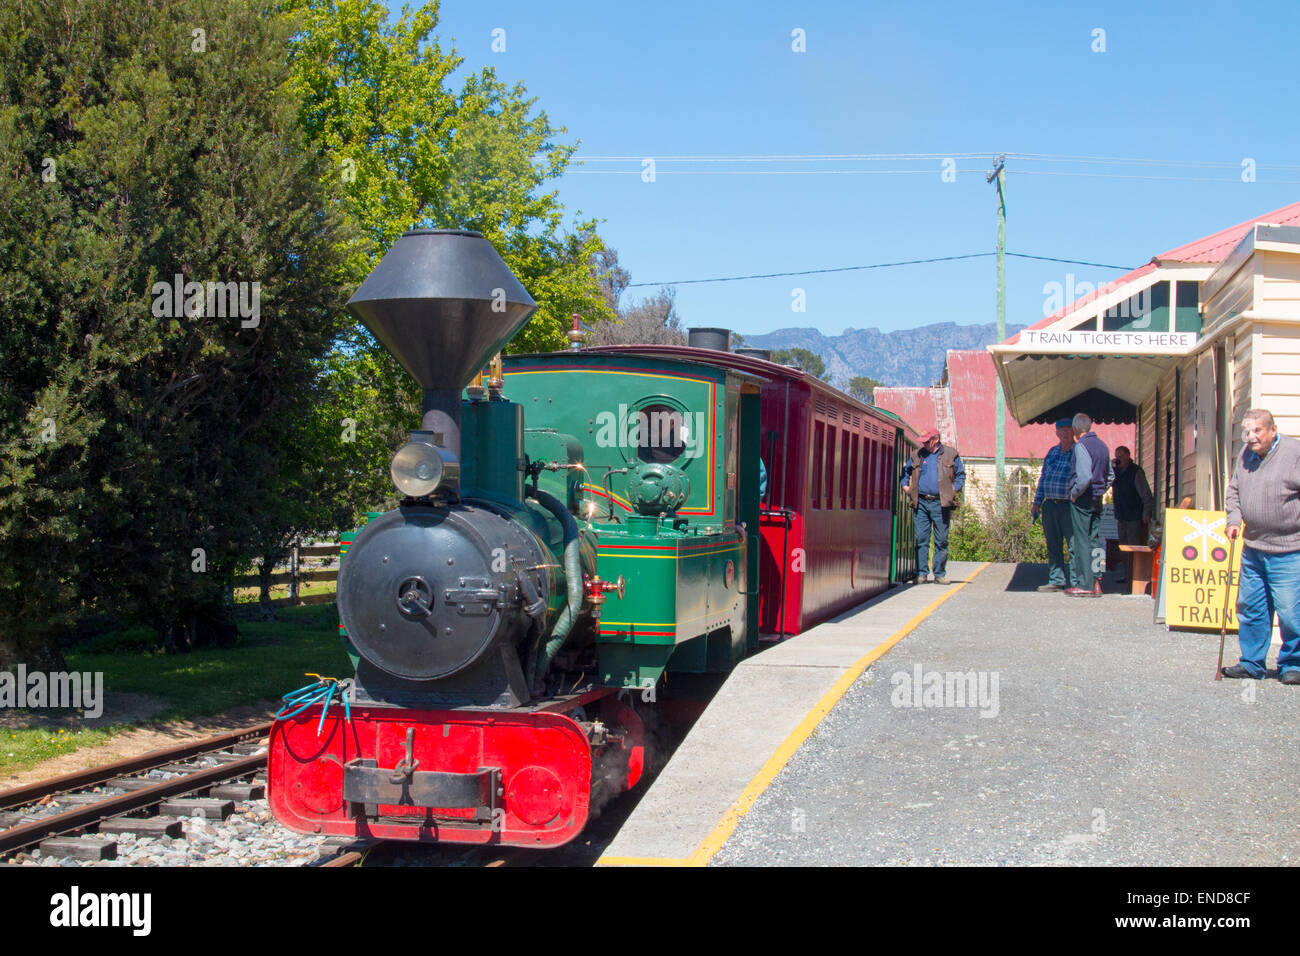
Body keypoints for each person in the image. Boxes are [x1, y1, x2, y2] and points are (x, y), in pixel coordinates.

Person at [1221, 409, 1300, 684]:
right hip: (1253, 547)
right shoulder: (1246, 455)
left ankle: (1293, 663)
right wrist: (1233, 519)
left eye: (1257, 431)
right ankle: (1252, 662)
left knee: (1290, 610)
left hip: (1289, 549)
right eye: (1247, 431)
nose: (1251, 437)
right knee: (1251, 607)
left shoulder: (1294, 453)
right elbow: (1234, 491)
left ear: (1273, 430)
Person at [1031, 418, 1090, 592]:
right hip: (1050, 504)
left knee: (1073, 544)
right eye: (1061, 431)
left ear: (1073, 432)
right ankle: (1056, 580)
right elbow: (1043, 477)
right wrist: (1037, 502)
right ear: (1056, 433)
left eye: (1067, 430)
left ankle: (1075, 582)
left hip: (1069, 505)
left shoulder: (1078, 451)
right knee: (1053, 543)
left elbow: (1084, 476)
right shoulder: (1052, 452)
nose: (1064, 434)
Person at [901, 427, 965, 584]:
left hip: (941, 503)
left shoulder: (951, 454)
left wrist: (953, 490)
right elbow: (906, 472)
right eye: (922, 441)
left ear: (936, 440)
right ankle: (922, 574)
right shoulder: (917, 455)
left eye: (926, 441)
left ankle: (939, 574)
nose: (924, 444)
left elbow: (961, 475)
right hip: (921, 502)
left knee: (941, 540)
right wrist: (905, 486)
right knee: (920, 538)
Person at [1066, 412, 1112, 598]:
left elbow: (1084, 477)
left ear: (1076, 428)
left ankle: (1084, 584)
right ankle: (1097, 581)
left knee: (1082, 540)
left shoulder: (1081, 446)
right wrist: (1101, 490)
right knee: (1095, 540)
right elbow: (1110, 476)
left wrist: (1075, 494)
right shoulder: (1103, 446)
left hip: (1083, 499)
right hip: (1097, 498)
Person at [1111, 445, 1154, 583]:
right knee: (1123, 545)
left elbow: (1146, 494)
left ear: (1128, 456)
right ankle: (1126, 574)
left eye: (1121, 456)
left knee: (1134, 545)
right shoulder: (1116, 473)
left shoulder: (1136, 472)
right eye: (1117, 456)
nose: (1119, 459)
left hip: (1135, 514)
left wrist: (1146, 512)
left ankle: (1136, 575)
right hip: (1121, 514)